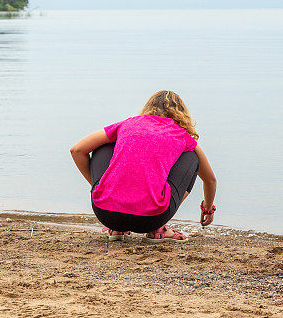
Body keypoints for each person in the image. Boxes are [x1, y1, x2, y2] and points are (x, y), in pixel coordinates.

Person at [70, 90, 217, 241]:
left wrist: (103, 187)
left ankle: (116, 229)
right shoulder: (181, 135)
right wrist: (208, 209)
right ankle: (157, 230)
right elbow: (210, 179)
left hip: (105, 213)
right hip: (152, 219)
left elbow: (77, 150)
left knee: (102, 145)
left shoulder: (128, 123)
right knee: (192, 156)